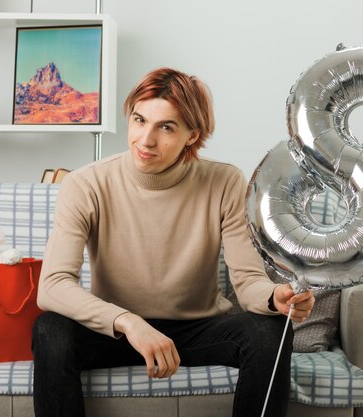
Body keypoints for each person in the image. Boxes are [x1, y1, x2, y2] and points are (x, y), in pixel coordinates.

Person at [32, 67, 315, 417]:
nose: (145, 140)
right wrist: (130, 323)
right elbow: (53, 287)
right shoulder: (85, 184)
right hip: (118, 331)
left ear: (191, 134)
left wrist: (274, 298)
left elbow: (247, 281)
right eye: (139, 120)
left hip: (198, 329)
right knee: (50, 329)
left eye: (165, 127)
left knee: (268, 330)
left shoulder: (224, 181)